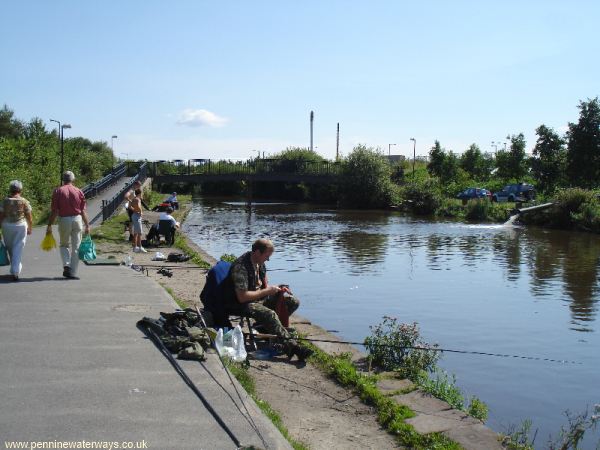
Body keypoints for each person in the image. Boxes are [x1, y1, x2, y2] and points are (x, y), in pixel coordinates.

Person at [223, 238, 312, 361]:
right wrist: (266, 291)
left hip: (258, 298)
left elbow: (263, 286)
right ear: (258, 252)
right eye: (267, 256)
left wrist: (278, 289)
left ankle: (264, 328)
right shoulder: (241, 267)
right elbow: (242, 297)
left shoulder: (260, 263)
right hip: (241, 303)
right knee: (270, 314)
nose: (268, 259)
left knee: (292, 302)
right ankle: (294, 348)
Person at [47, 171, 90, 279]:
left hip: (64, 219)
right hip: (77, 219)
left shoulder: (58, 191)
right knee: (76, 246)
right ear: (73, 179)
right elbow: (83, 211)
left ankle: (66, 265)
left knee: (64, 244)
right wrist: (87, 225)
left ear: (63, 179)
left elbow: (55, 210)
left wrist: (50, 224)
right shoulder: (79, 191)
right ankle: (73, 272)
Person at [0, 180, 33, 281]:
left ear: (11, 189)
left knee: (10, 247)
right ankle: (15, 271)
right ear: (20, 189)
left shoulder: (4, 201)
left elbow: (1, 216)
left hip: (7, 226)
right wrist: (30, 227)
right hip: (20, 226)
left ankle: (15, 268)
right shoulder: (24, 201)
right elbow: (29, 217)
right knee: (18, 247)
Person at [130, 189, 147, 253]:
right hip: (137, 216)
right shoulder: (138, 199)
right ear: (140, 193)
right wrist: (140, 212)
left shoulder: (134, 199)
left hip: (134, 215)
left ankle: (135, 247)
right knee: (140, 233)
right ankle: (140, 247)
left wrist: (135, 210)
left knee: (136, 233)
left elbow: (130, 206)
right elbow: (139, 207)